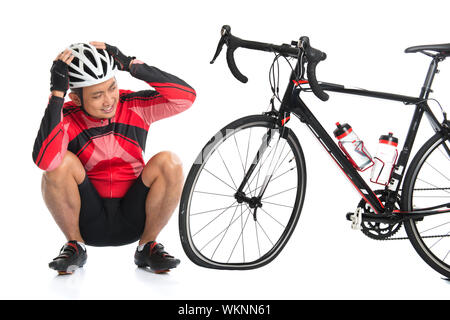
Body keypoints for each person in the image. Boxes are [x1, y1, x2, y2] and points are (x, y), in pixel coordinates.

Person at [32, 42, 196, 274]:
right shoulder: (66, 115)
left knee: (170, 161)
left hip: (135, 216)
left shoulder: (134, 105)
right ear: (76, 99)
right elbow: (45, 162)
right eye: (97, 95)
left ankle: (148, 246)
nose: (109, 100)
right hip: (87, 219)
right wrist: (57, 95)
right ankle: (74, 246)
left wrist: (130, 65)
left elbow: (186, 98)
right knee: (59, 164)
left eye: (112, 88)